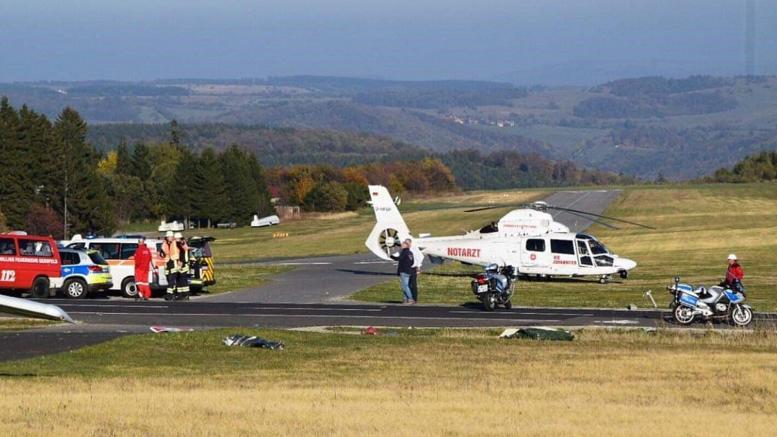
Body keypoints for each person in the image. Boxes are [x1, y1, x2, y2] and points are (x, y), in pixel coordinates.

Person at [133, 236, 153, 301]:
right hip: (146, 269)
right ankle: (147, 295)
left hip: (139, 269)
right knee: (145, 283)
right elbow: (150, 258)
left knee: (139, 282)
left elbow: (137, 261)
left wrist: (136, 267)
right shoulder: (147, 250)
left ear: (139, 242)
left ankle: (140, 294)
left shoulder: (138, 250)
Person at [161, 230, 179, 300]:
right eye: (169, 237)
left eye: (171, 237)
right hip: (167, 263)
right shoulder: (164, 243)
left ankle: (169, 294)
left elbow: (180, 251)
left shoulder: (175, 243)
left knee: (172, 279)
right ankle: (173, 293)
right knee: (168, 278)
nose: (170, 238)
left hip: (174, 261)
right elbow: (162, 253)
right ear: (167, 237)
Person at [396, 239, 415, 304]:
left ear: (405, 245)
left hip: (403, 271)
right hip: (408, 271)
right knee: (405, 285)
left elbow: (399, 259)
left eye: (403, 244)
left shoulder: (404, 252)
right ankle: (405, 299)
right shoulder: (410, 253)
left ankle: (410, 299)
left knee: (405, 286)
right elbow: (412, 262)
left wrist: (391, 256)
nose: (401, 245)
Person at [174, 232, 191, 300]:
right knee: (179, 280)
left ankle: (185, 295)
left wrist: (180, 262)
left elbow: (182, 254)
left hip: (183, 264)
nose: (175, 240)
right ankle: (180, 294)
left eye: (176, 239)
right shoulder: (182, 243)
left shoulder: (182, 244)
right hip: (181, 264)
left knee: (183, 280)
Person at [407, 237, 424, 303]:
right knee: (407, 284)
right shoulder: (405, 250)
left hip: (413, 268)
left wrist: (418, 267)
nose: (406, 244)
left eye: (407, 243)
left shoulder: (414, 249)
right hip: (407, 269)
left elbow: (421, 257)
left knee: (413, 284)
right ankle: (408, 298)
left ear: (410, 243)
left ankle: (414, 298)